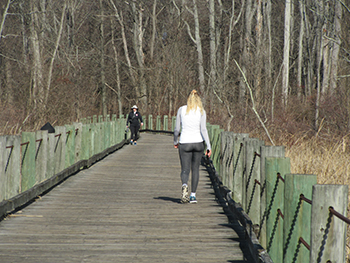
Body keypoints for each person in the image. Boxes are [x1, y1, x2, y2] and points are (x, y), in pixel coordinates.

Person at [173, 90, 212, 204]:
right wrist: (208, 146)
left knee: (185, 169)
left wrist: (176, 141)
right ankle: (193, 195)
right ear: (198, 100)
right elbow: (203, 129)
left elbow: (176, 129)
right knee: (195, 169)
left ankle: (185, 185)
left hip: (185, 142)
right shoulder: (201, 111)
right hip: (198, 143)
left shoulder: (181, 109)